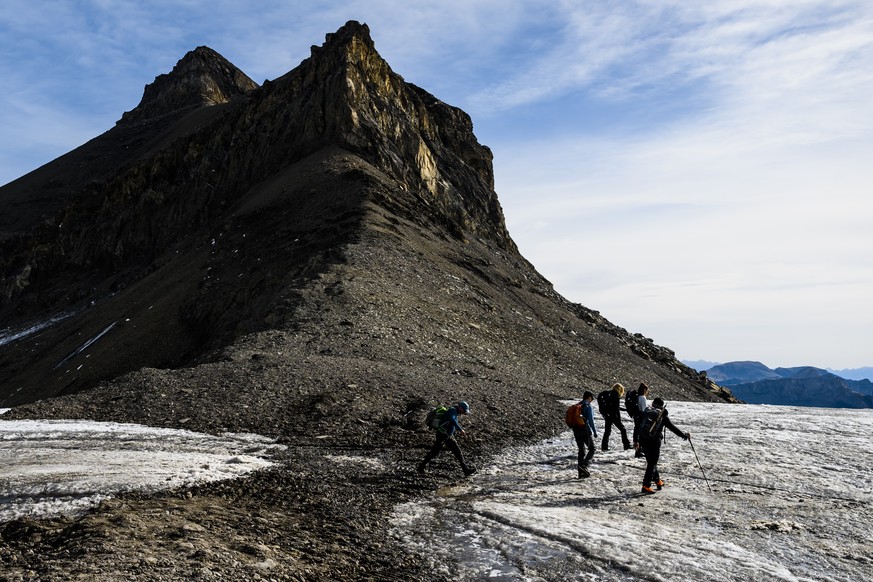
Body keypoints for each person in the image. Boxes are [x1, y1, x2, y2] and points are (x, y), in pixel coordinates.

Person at [637, 397, 690, 494]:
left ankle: (658, 481)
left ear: (653, 403)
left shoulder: (647, 412)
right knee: (652, 463)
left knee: (651, 462)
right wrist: (684, 435)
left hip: (643, 440)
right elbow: (672, 428)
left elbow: (638, 425)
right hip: (654, 442)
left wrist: (637, 440)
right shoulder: (662, 415)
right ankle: (646, 485)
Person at [418, 401, 476, 477]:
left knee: (437, 451)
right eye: (464, 410)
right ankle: (466, 470)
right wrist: (460, 429)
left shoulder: (455, 411)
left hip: (445, 434)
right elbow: (452, 420)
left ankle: (421, 466)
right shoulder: (453, 410)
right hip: (444, 434)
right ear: (460, 407)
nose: (464, 412)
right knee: (456, 451)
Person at [571, 391, 597, 478]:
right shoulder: (587, 406)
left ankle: (581, 472)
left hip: (576, 430)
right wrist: (595, 432)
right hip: (585, 430)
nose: (591, 400)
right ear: (589, 397)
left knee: (581, 450)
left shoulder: (577, 406)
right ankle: (584, 465)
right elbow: (591, 421)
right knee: (592, 449)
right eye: (591, 398)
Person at [598, 383, 631, 451]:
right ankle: (626, 445)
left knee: (607, 431)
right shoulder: (616, 395)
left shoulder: (609, 394)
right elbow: (616, 409)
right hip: (613, 416)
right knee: (623, 429)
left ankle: (604, 447)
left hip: (607, 415)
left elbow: (613, 406)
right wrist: (619, 420)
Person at [632, 383, 650, 458]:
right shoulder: (642, 398)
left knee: (637, 433)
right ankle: (639, 450)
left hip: (637, 417)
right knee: (641, 434)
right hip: (641, 417)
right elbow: (644, 409)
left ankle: (638, 449)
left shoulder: (637, 397)